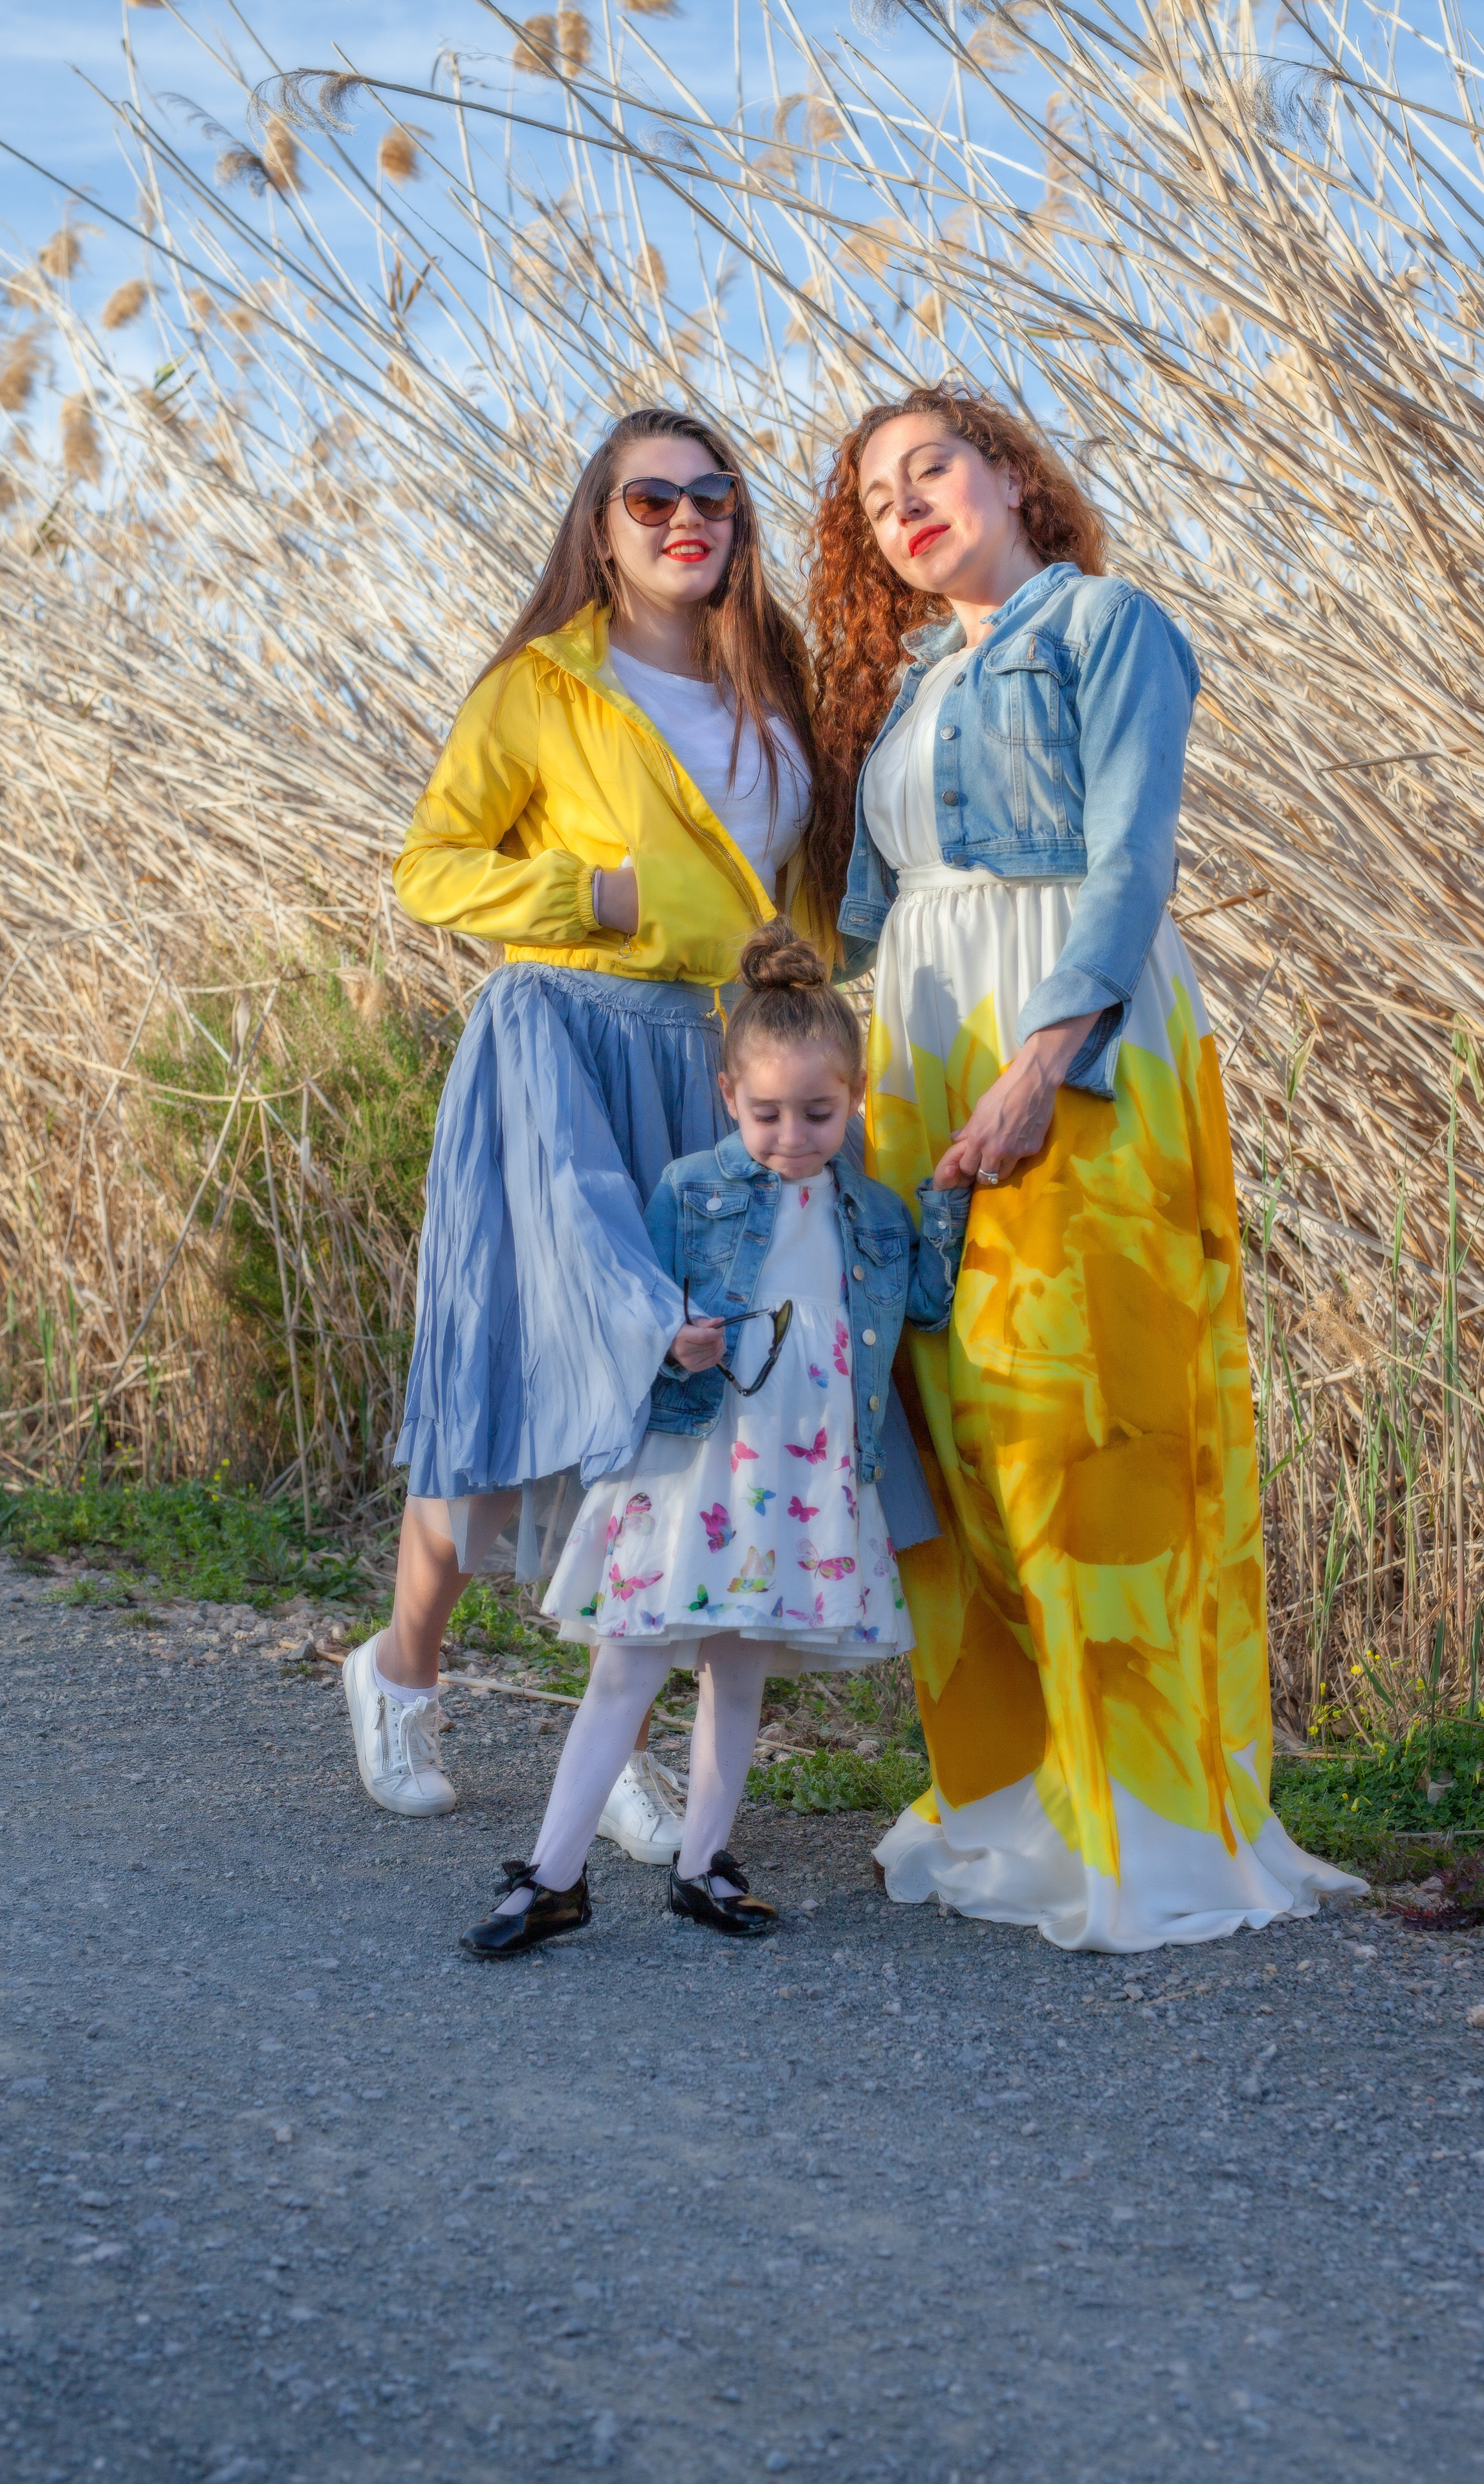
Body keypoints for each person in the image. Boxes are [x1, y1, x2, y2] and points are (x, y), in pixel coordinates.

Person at [807, 384, 1362, 1950]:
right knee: (958, 1426)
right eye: (874, 499)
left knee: (1085, 1425)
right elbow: (852, 918)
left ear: (1013, 481)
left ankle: (1147, 1815)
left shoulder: (1103, 625)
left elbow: (1128, 859)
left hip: (1069, 1034)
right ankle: (1013, 1790)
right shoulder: (915, 682)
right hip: (920, 1053)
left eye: (933, 468)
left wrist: (1045, 1064)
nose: (905, 504)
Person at [344, 406, 836, 1860]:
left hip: (715, 1065)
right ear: (599, 524)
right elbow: (427, 867)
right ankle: (400, 1674)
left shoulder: (778, 679)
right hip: (563, 1042)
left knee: (680, 1393)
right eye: (649, 498)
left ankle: (605, 1730)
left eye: (712, 495)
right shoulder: (542, 684)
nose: (685, 519)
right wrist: (585, 894)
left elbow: (803, 886)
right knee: (529, 1361)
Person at [457, 922, 971, 1956]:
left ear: (855, 1098)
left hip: (802, 1471)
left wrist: (948, 1202)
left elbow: (920, 1307)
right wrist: (667, 1338)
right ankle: (553, 1875)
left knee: (737, 1672)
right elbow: (638, 1308)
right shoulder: (691, 1189)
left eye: (820, 1113)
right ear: (729, 1094)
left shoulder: (872, 1213)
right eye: (769, 1112)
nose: (793, 1135)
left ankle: (705, 1863)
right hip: (695, 1464)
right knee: (628, 1662)